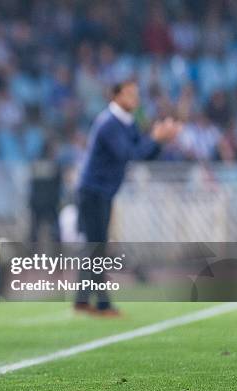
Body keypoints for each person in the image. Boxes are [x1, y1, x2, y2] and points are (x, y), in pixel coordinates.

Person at [75, 79, 181, 315]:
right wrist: (155, 139)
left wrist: (159, 141)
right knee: (97, 247)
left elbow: (143, 153)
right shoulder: (109, 123)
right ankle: (102, 303)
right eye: (130, 94)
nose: (135, 99)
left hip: (103, 190)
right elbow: (128, 154)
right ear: (116, 96)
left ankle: (81, 300)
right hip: (93, 190)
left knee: (94, 246)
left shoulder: (126, 122)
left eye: (136, 94)